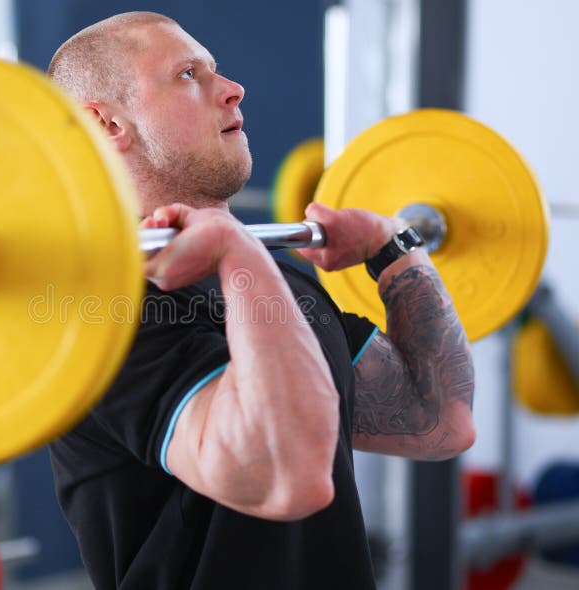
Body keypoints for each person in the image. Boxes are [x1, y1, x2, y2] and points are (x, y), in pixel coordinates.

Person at [47, 11, 475, 590]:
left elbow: (439, 422)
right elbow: (289, 481)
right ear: (104, 123)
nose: (231, 89)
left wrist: (393, 247)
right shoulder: (103, 316)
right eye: (189, 74)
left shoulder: (275, 282)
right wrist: (238, 253)